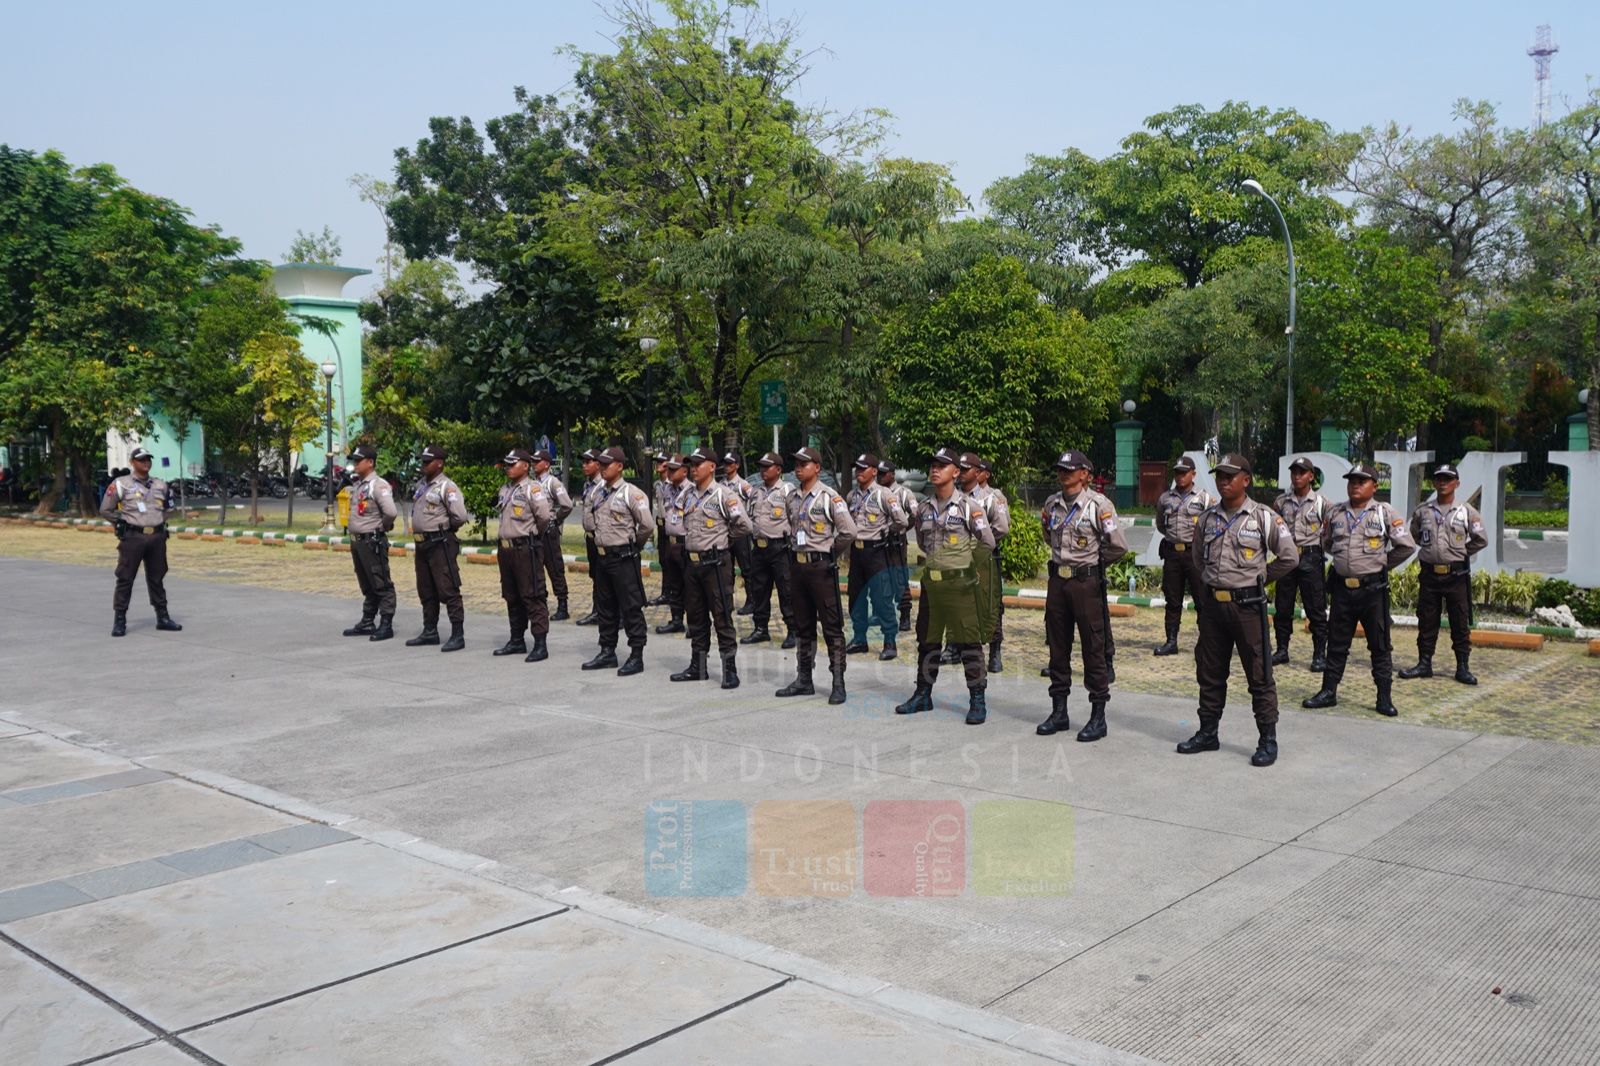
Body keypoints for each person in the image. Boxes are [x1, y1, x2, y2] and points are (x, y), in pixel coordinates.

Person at [1177, 454, 1299, 766]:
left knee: (1259, 674)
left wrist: (1259, 579)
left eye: (1231, 476)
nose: (1224, 481)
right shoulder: (1206, 519)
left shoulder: (1263, 516)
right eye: (1220, 476)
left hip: (1248, 608)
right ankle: (1208, 732)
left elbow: (1288, 557)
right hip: (1213, 609)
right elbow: (1198, 558)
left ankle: (1267, 740)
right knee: (1209, 672)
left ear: (1246, 480)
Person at [1303, 462, 1417, 717]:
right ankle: (1328, 692)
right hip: (1343, 590)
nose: (1355, 485)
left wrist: (1380, 564)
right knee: (1337, 644)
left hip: (1372, 590)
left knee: (1380, 644)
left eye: (1361, 481)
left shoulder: (1384, 513)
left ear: (1374, 486)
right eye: (1351, 481)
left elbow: (1406, 545)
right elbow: (1328, 543)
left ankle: (1384, 697)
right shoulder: (1336, 513)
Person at [894, 447, 998, 725]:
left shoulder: (969, 507)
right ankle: (923, 694)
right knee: (927, 642)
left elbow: (988, 542)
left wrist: (967, 565)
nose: (935, 470)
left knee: (968, 643)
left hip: (960, 588)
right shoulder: (924, 509)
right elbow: (923, 541)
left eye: (942, 465)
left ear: (956, 472)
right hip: (932, 587)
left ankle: (977, 700)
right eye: (933, 465)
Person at [1036, 449, 1129, 741]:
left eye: (1070, 469)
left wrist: (1092, 563)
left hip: (1086, 584)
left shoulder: (1099, 505)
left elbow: (1118, 546)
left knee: (1093, 647)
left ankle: (1098, 716)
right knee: (1057, 646)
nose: (1064, 473)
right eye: (1061, 469)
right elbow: (1047, 535)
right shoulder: (1052, 503)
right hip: (1058, 582)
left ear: (1085, 474)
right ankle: (1059, 712)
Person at [776, 447, 856, 704]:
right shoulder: (792, 498)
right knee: (803, 626)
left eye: (804, 463)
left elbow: (848, 532)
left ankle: (838, 682)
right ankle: (804, 679)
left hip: (821, 569)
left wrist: (830, 553)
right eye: (796, 463)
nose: (799, 468)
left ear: (817, 467)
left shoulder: (830, 498)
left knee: (832, 627)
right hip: (798, 568)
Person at [1400, 463, 1487, 685]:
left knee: (1459, 620)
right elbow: (1415, 537)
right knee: (1427, 620)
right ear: (1434, 482)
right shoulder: (1423, 511)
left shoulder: (1467, 511)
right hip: (1429, 575)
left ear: (1456, 483)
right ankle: (1424, 663)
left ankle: (1462, 667)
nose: (1442, 483)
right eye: (1439, 478)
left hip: (1456, 576)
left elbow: (1481, 539)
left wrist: (1459, 552)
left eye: (1448, 479)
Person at [673, 447, 753, 687]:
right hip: (693, 564)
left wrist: (723, 539)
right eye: (691, 465)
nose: (693, 469)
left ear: (711, 466)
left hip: (716, 564)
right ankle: (698, 666)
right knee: (696, 617)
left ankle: (730, 668)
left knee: (722, 616)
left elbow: (745, 526)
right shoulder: (688, 495)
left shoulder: (723, 495)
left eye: (698, 464)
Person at [581, 446, 655, 675]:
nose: (602, 468)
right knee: (605, 607)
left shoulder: (631, 493)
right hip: (602, 558)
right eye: (600, 464)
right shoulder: (597, 492)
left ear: (620, 466)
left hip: (623, 557)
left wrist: (634, 546)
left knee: (631, 607)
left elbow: (647, 526)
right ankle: (607, 651)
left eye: (607, 464)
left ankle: (636, 655)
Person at [100, 446, 181, 637]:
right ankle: (119, 620)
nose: (146, 462)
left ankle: (162, 617)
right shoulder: (121, 484)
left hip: (156, 537)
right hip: (133, 537)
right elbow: (105, 509)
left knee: (157, 578)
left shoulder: (160, 485)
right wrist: (121, 523)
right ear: (132, 462)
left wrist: (157, 522)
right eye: (141, 459)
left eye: (148, 459)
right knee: (125, 578)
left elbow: (169, 508)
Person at [405, 444, 469, 651]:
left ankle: (457, 635)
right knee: (426, 588)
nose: (423, 465)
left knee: (448, 587)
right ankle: (430, 631)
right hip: (422, 543)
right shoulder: (421, 485)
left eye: (427, 461)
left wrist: (443, 530)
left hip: (440, 542)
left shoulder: (447, 487)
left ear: (439, 463)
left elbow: (459, 516)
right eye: (422, 461)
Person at [845, 452, 908, 661]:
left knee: (881, 598)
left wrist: (886, 532)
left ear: (874, 471)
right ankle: (860, 638)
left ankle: (889, 641)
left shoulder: (884, 495)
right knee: (856, 597)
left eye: (863, 469)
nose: (859, 472)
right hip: (857, 552)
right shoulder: (851, 496)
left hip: (877, 552)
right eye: (857, 468)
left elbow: (901, 521)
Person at [492, 448, 553, 662]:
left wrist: (532, 536)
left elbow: (544, 517)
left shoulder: (532, 489)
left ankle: (540, 644)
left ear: (525, 466)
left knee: (533, 594)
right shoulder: (504, 490)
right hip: (506, 550)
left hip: (525, 548)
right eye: (507, 464)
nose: (508, 468)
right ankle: (517, 639)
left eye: (513, 464)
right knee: (511, 596)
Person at [1153, 456, 1215, 657]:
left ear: (1193, 474)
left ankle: (1206, 641)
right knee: (1172, 599)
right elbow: (1162, 525)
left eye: (1184, 473)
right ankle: (1171, 641)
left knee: (1202, 600)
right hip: (1172, 554)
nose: (1180, 477)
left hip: (1194, 555)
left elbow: (1212, 526)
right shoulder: (1165, 499)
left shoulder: (1205, 498)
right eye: (1177, 473)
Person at [1272, 456, 1331, 669]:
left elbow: (1331, 528)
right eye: (1294, 472)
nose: (1297, 477)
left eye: (1302, 472)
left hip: (1311, 556)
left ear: (1311, 476)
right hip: (1287, 557)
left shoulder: (1322, 503)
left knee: (1315, 607)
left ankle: (1319, 654)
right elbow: (1273, 528)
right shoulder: (1281, 502)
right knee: (1283, 606)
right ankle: (1281, 650)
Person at [341, 444, 398, 641]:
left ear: (370, 462)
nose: (355, 464)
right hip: (358, 542)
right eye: (354, 461)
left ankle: (386, 624)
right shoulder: (359, 485)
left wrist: (381, 527)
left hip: (372, 541)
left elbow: (390, 512)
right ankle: (367, 621)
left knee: (381, 582)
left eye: (359, 460)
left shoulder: (378, 485)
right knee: (367, 582)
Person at [741, 452, 798, 649]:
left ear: (779, 470)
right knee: (759, 590)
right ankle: (760, 629)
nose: (763, 470)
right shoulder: (756, 492)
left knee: (786, 590)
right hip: (759, 548)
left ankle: (793, 630)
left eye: (767, 467)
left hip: (780, 548)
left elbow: (796, 520)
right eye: (761, 467)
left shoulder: (788, 491)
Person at [963, 455, 1011, 673]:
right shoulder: (956, 496)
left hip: (984, 558)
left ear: (984, 474)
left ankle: (994, 651)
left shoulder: (993, 497)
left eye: (976, 470)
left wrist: (980, 548)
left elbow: (1001, 528)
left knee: (990, 605)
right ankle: (954, 647)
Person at [877, 460, 918, 634]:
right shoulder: (875, 492)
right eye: (878, 473)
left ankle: (905, 615)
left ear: (892, 474)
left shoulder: (903, 493)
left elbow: (915, 514)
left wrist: (902, 529)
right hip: (878, 540)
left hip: (896, 541)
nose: (880, 476)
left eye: (884, 473)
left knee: (899, 578)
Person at [532, 449, 574, 621]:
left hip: (549, 532)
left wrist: (555, 519)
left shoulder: (552, 483)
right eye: (533, 461)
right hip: (534, 532)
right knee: (536, 569)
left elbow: (567, 505)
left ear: (546, 464)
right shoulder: (532, 483)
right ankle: (540, 602)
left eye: (537, 461)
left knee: (555, 567)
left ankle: (562, 604)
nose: (534, 464)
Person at [655, 455, 689, 635]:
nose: (670, 472)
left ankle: (694, 622)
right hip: (670, 542)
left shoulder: (691, 490)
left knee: (690, 585)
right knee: (674, 584)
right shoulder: (667, 489)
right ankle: (676, 619)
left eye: (674, 469)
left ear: (684, 472)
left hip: (685, 544)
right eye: (670, 469)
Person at [721, 452, 757, 613]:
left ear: (737, 465)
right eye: (725, 463)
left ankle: (751, 600)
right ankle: (727, 599)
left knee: (746, 567)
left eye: (730, 463)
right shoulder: (721, 485)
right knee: (726, 567)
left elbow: (755, 499)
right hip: (726, 531)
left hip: (740, 531)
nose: (726, 466)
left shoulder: (742, 485)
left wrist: (750, 517)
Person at [575, 449, 604, 626]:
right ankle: (597, 611)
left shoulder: (603, 486)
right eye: (583, 462)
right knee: (595, 575)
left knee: (604, 576)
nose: (584, 466)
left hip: (601, 537)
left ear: (598, 464)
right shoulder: (588, 485)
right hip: (590, 537)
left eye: (588, 462)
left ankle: (608, 612)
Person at [647, 451, 671, 606]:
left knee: (673, 560)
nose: (658, 464)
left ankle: (675, 592)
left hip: (672, 527)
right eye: (657, 461)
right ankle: (665, 592)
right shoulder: (658, 484)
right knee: (663, 560)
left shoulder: (673, 484)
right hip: (661, 525)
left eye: (661, 462)